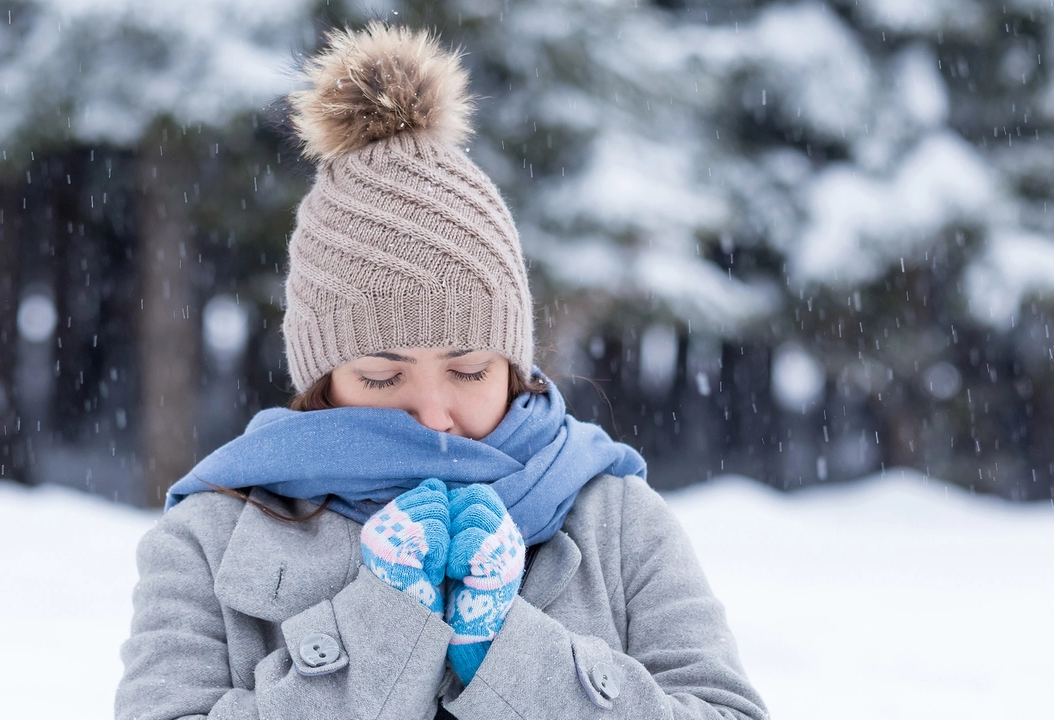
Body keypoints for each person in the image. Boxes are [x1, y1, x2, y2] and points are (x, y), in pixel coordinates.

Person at [115, 23, 768, 720]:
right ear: (321, 380)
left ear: (513, 368)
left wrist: (509, 653)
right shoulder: (208, 540)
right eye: (381, 377)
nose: (433, 416)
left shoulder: (616, 519)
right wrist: (381, 631)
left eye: (468, 369)